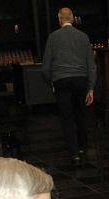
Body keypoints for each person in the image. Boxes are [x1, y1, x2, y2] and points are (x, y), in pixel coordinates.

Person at [41, 7, 96, 165]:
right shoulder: (83, 37)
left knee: (67, 118)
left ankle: (74, 153)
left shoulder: (53, 37)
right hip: (80, 80)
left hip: (61, 80)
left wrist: (52, 82)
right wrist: (91, 87)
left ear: (59, 20)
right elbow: (91, 65)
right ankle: (83, 147)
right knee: (81, 114)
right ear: (72, 19)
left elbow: (45, 68)